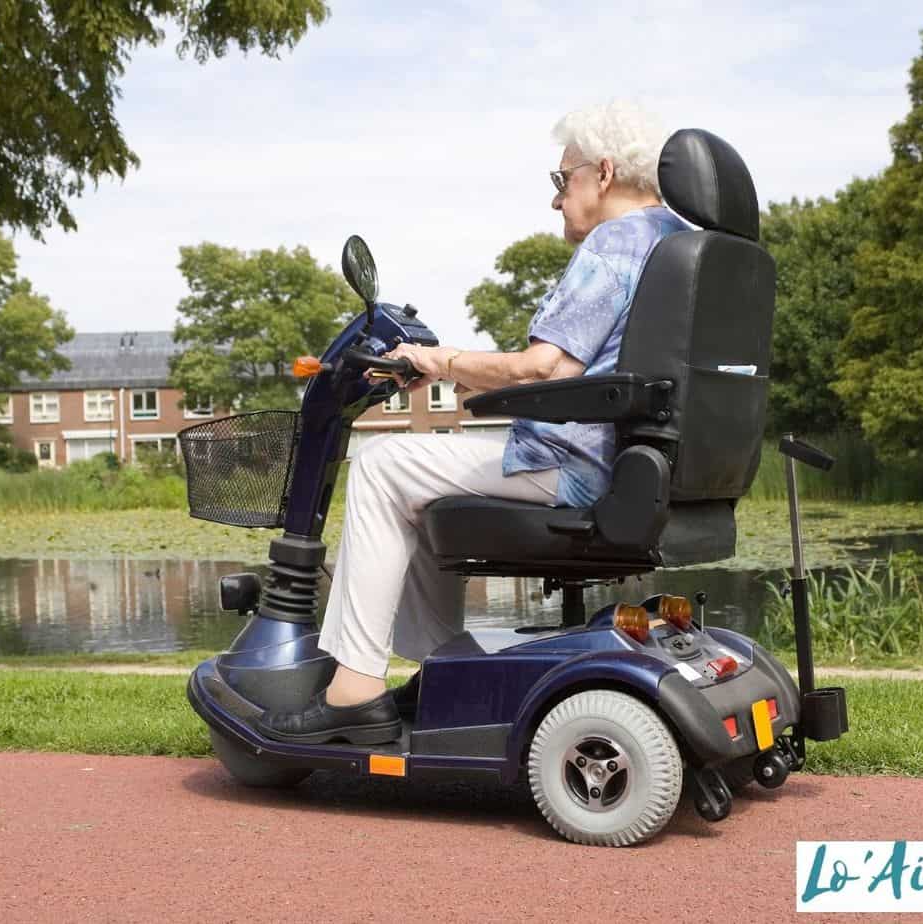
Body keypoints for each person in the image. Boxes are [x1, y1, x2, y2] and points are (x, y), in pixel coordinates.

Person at [260, 101, 689, 745]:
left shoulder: (616, 241)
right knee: (422, 482)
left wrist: (443, 361)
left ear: (602, 172)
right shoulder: (679, 240)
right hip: (637, 464)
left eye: (560, 180)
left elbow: (544, 371)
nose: (555, 200)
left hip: (574, 467)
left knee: (382, 465)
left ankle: (354, 692)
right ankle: (444, 675)